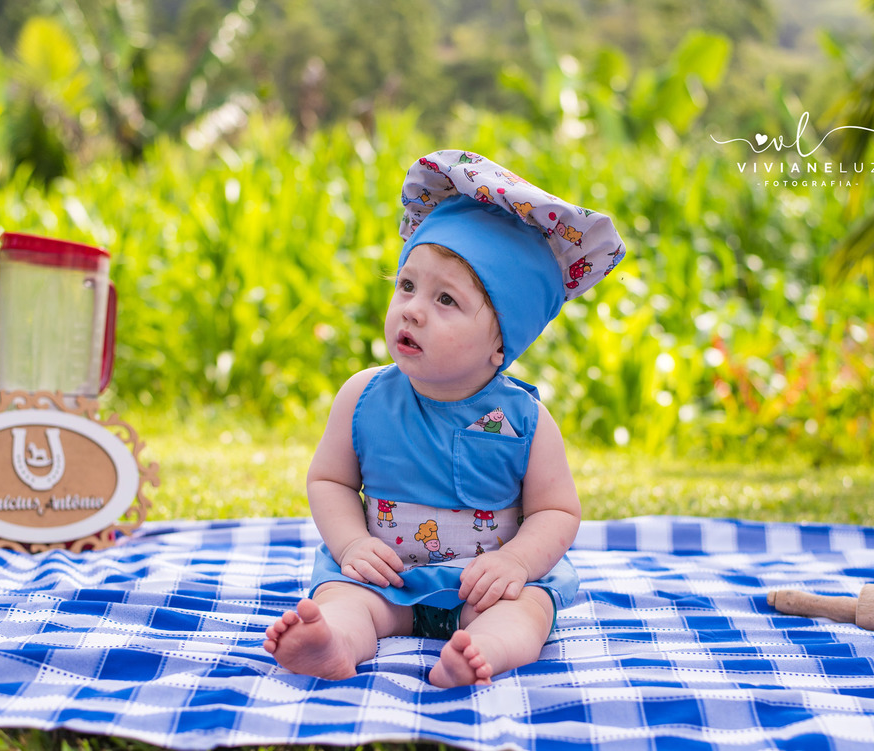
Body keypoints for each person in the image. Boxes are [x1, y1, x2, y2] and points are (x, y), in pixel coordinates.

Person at [263, 150, 626, 687]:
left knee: (527, 611)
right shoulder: (362, 397)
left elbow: (556, 511)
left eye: (445, 300)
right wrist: (352, 545)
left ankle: (483, 651)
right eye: (406, 286)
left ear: (500, 343)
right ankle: (333, 642)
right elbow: (330, 480)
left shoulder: (526, 420)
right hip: (386, 580)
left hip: (484, 588)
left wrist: (517, 564)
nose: (412, 308)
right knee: (343, 597)